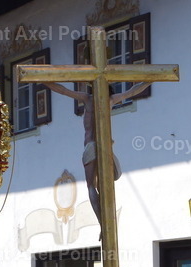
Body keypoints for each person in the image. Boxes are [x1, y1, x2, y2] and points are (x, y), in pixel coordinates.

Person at [42, 81, 151, 224]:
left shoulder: (88, 99)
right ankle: (108, 218)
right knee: (108, 180)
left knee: (91, 185)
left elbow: (63, 90)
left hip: (91, 145)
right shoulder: (111, 100)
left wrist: (45, 81)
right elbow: (133, 91)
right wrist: (149, 81)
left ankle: (102, 221)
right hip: (106, 146)